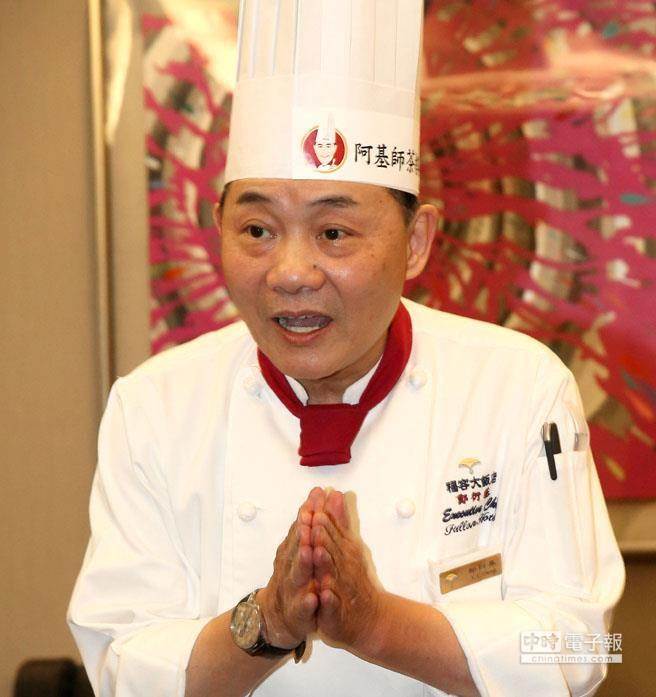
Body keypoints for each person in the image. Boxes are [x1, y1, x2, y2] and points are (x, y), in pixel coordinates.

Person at [68, 2, 624, 696]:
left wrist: (377, 625)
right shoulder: (154, 407)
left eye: (333, 233)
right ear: (217, 226)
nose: (290, 273)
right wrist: (270, 622)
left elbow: (584, 647)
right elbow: (119, 662)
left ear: (416, 241)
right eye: (257, 230)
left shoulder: (519, 389)